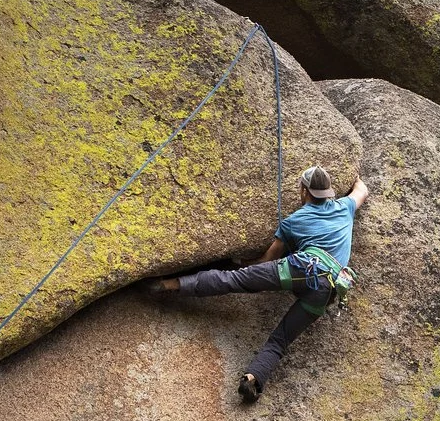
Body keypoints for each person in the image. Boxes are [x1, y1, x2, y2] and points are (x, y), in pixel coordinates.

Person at [152, 164, 369, 401]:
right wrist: (356, 176)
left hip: (301, 268)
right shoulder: (345, 207)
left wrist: (241, 264)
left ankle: (170, 284)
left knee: (232, 280)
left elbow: (268, 259)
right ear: (328, 193)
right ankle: (253, 379)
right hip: (329, 290)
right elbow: (362, 190)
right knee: (281, 339)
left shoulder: (293, 221)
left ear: (304, 192)